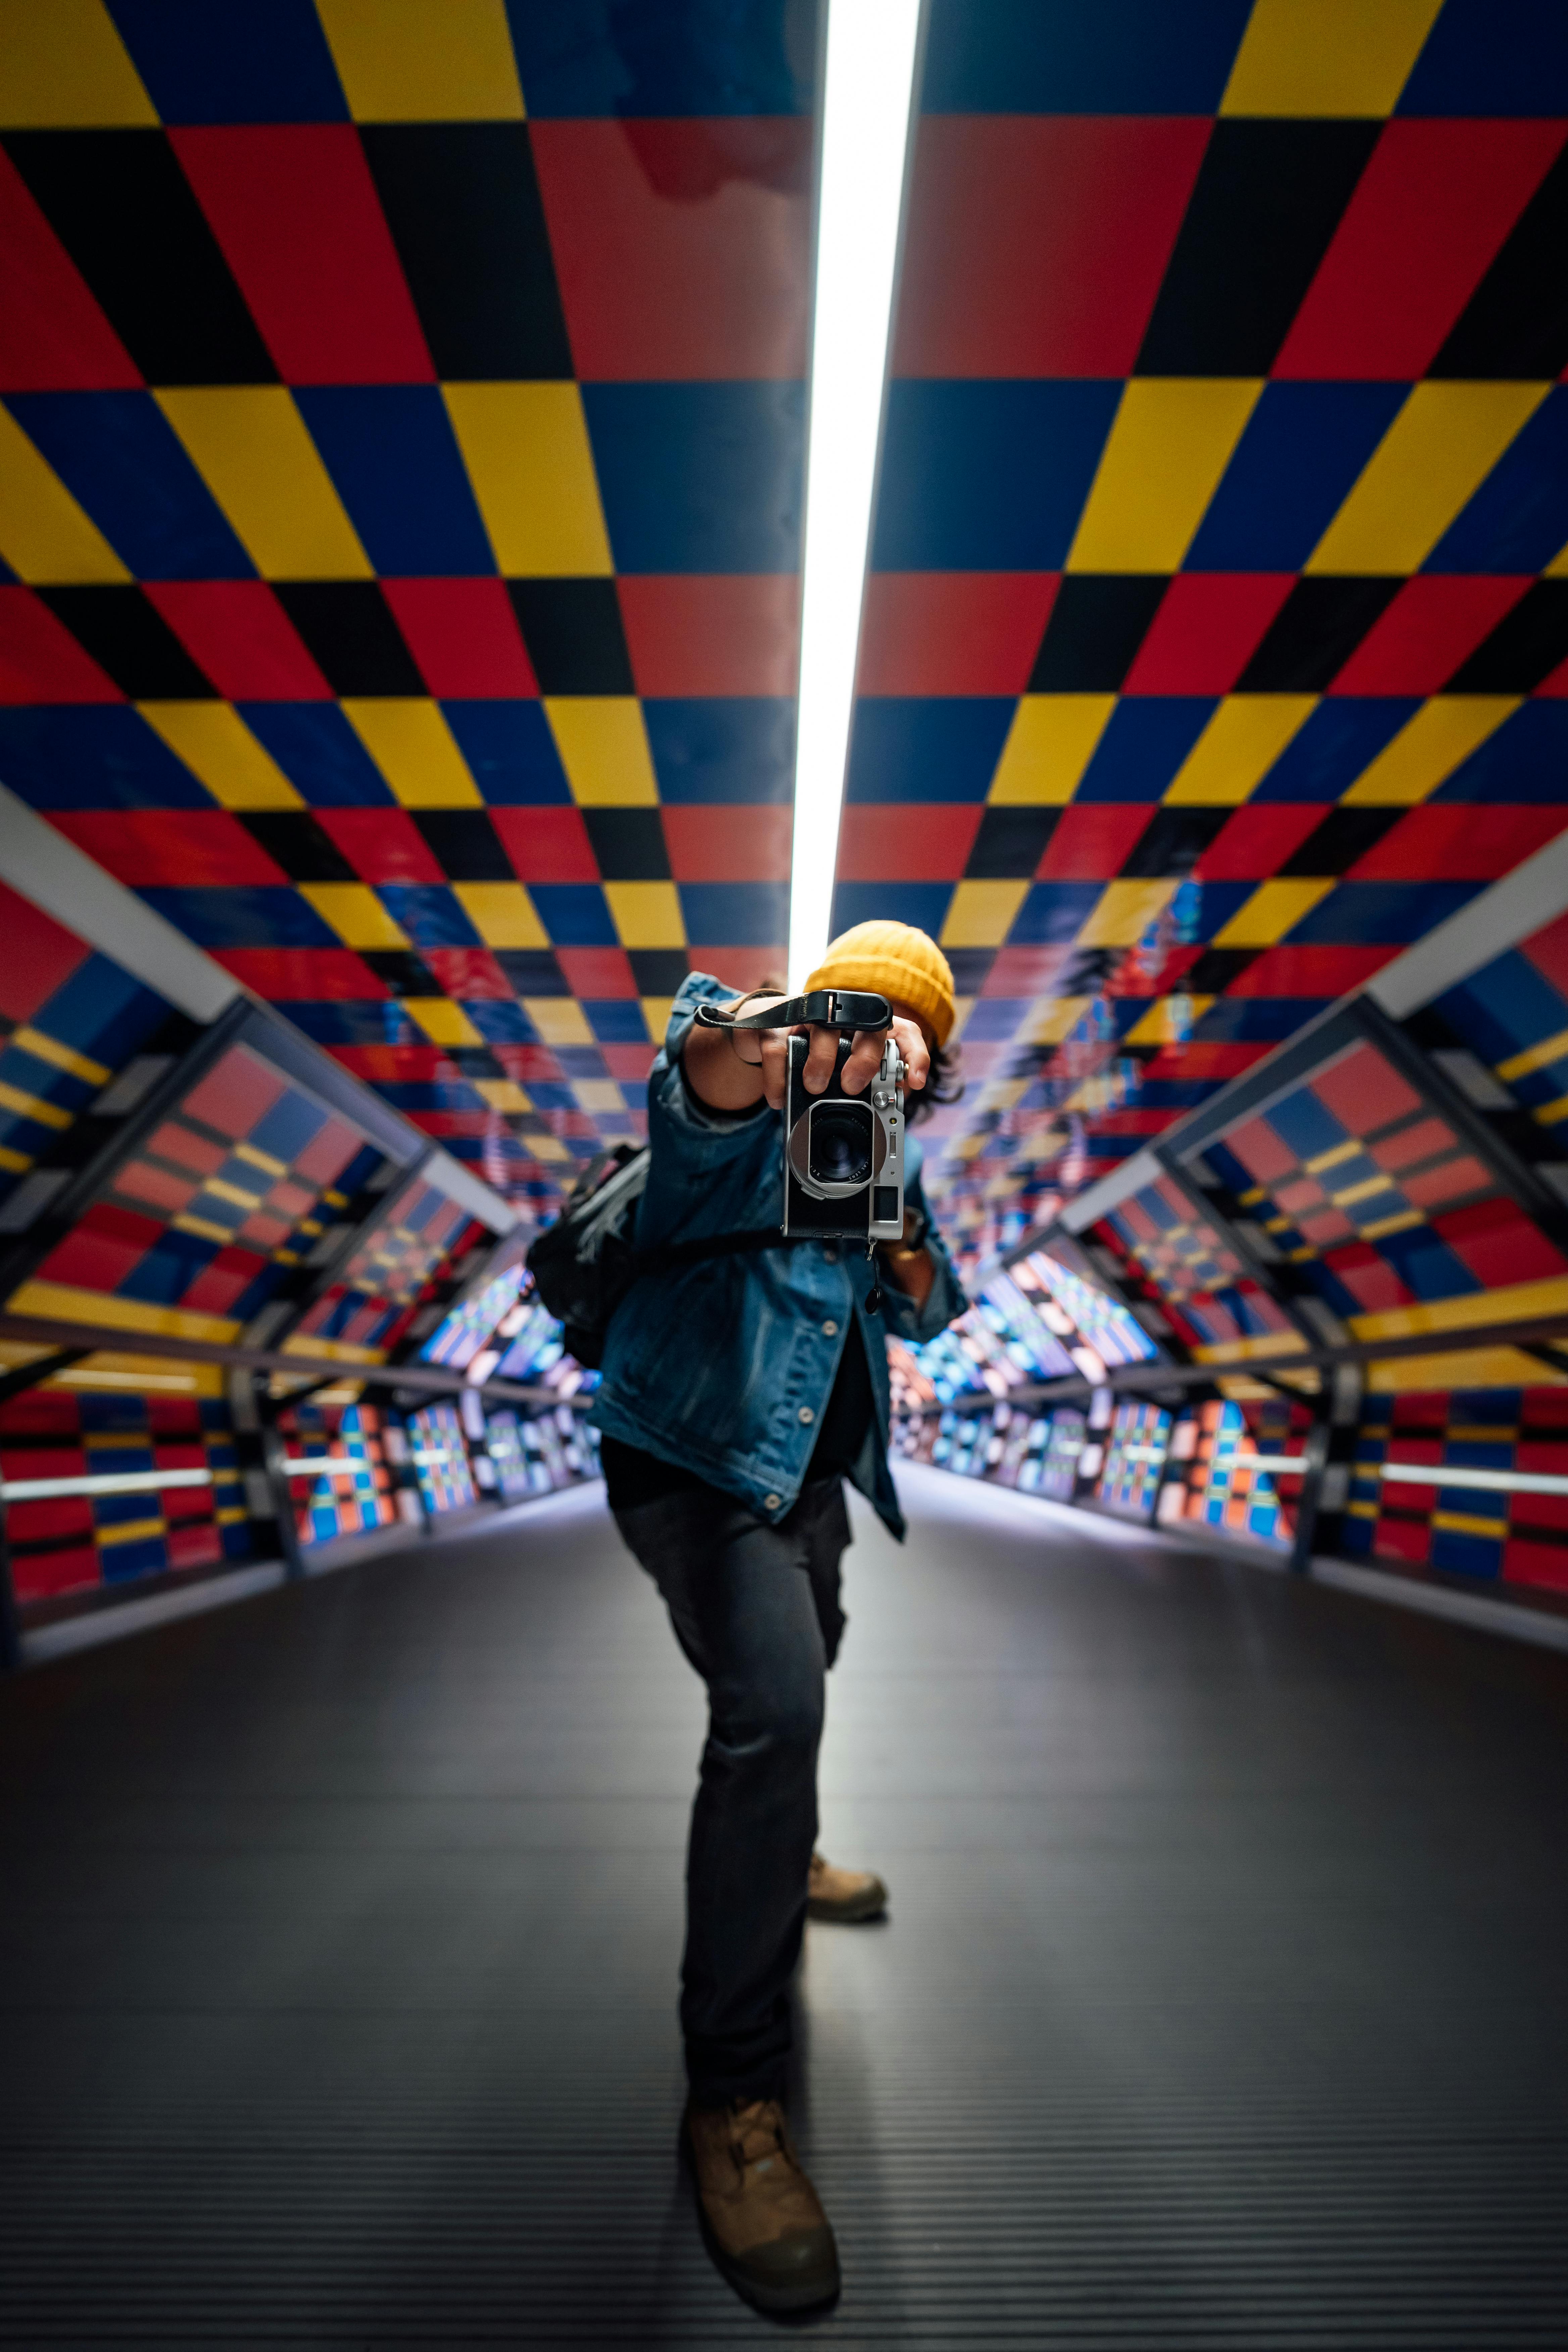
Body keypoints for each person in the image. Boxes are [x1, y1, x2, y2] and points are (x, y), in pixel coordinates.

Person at [589, 921, 967, 2313]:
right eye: (870, 1017)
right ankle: (733, 2105)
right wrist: (767, 1036)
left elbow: (924, 1314)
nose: (885, 1046)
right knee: (774, 1710)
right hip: (694, 1462)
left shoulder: (885, 1154)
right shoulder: (756, 1108)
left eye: (909, 1034)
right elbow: (697, 1082)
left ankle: (786, 1853)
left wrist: (910, 1246)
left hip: (810, 1475)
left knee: (818, 1650)